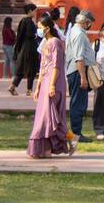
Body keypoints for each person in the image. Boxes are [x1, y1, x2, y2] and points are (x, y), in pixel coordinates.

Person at [29, 14, 74, 157]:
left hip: (54, 81)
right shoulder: (44, 44)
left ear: (47, 28)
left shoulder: (55, 42)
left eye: (40, 27)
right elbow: (42, 67)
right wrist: (37, 87)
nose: (38, 30)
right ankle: (46, 148)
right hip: (45, 82)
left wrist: (52, 85)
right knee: (46, 115)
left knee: (52, 116)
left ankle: (70, 141)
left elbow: (56, 65)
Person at [65, 10, 96, 142]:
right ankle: (76, 134)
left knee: (78, 103)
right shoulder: (79, 34)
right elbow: (79, 58)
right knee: (78, 104)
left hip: (78, 71)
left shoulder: (75, 31)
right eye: (89, 23)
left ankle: (76, 133)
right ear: (85, 22)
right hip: (78, 72)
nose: (90, 25)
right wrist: (83, 77)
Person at [10, 3, 39, 95]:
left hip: (25, 48)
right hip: (29, 49)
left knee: (22, 69)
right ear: (30, 11)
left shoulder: (27, 21)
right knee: (31, 69)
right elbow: (25, 35)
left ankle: (13, 86)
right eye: (34, 10)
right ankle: (29, 90)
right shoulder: (27, 21)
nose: (35, 12)